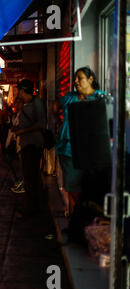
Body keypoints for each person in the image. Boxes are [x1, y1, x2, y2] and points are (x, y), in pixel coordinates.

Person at [53, 67, 106, 216]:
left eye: (79, 78)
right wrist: (59, 122)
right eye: (75, 78)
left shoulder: (100, 97)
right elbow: (55, 105)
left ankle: (79, 217)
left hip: (91, 152)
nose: (75, 81)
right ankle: (75, 217)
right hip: (68, 149)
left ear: (90, 79)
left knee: (88, 187)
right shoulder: (70, 96)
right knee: (72, 187)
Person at [12, 79, 46, 218]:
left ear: (23, 90)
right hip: (26, 144)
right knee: (28, 177)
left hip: (33, 144)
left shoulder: (36, 103)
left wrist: (22, 131)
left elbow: (41, 123)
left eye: (18, 90)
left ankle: (32, 209)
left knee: (31, 177)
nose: (17, 92)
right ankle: (31, 206)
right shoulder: (27, 104)